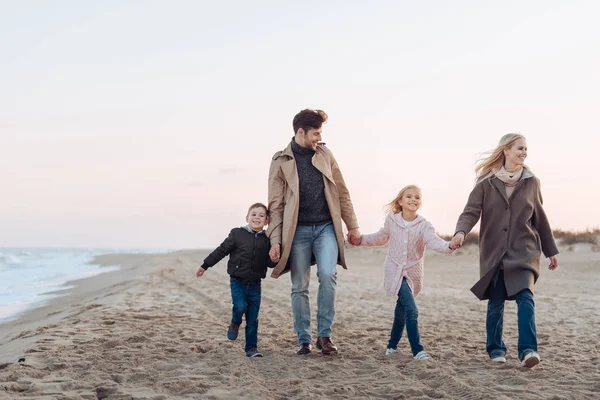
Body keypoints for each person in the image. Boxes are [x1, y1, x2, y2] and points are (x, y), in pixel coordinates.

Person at [449, 133, 559, 368]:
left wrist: (551, 250)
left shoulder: (531, 181)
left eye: (526, 149)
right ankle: (496, 349)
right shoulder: (486, 181)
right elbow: (470, 212)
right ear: (506, 150)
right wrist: (461, 232)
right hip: (494, 251)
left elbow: (540, 217)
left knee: (526, 298)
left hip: (524, 250)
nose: (524, 152)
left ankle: (529, 350)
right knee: (496, 301)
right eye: (520, 148)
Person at [267, 109, 360, 355]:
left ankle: (325, 336)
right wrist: (274, 240)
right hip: (297, 231)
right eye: (315, 133)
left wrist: (353, 226)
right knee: (299, 286)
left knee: (328, 275)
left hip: (326, 227)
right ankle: (304, 339)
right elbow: (275, 206)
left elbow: (342, 192)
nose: (318, 138)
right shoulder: (280, 161)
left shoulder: (325, 154)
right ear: (300, 132)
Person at [351, 185, 454, 360]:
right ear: (400, 201)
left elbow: (435, 242)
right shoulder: (392, 220)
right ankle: (418, 350)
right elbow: (381, 237)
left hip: (413, 273)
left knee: (401, 311)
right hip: (394, 270)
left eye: (417, 197)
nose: (413, 200)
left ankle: (392, 346)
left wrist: (449, 246)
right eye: (409, 196)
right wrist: (360, 240)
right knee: (411, 310)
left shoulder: (424, 225)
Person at [196, 203, 273, 358]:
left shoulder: (267, 240)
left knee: (252, 318)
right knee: (239, 306)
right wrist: (205, 265)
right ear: (247, 217)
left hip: (255, 284)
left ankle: (251, 348)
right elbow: (221, 250)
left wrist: (275, 258)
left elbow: (270, 263)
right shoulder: (237, 234)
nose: (257, 217)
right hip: (237, 281)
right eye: (253, 214)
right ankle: (235, 322)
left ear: (266, 221)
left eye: (261, 215)